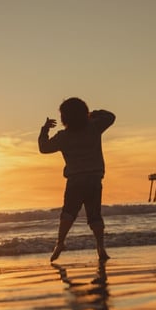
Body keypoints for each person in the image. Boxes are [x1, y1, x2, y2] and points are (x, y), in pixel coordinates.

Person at [38, 97, 115, 262]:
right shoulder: (94, 127)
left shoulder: (63, 136)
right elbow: (110, 117)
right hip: (94, 179)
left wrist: (44, 130)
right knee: (95, 216)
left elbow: (43, 148)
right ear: (84, 113)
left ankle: (60, 243)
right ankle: (100, 247)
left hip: (75, 181)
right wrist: (93, 114)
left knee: (68, 213)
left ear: (65, 118)